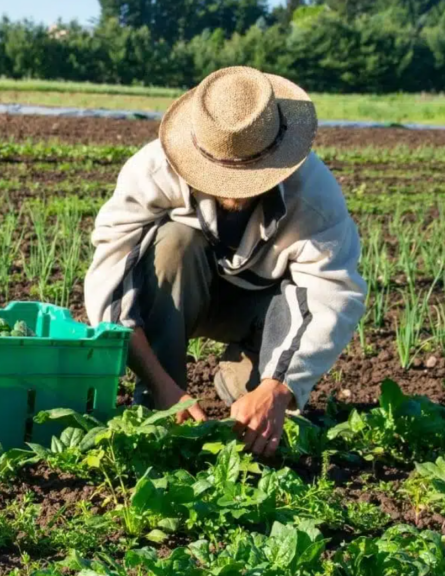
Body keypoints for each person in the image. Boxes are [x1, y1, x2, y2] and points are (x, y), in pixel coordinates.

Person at [84, 66, 366, 457]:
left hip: (259, 310)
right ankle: (159, 405)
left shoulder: (314, 197)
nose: (233, 191)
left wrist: (278, 389)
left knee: (261, 418)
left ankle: (247, 375)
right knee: (172, 243)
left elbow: (331, 295)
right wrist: (163, 386)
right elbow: (111, 284)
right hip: (184, 293)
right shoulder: (152, 171)